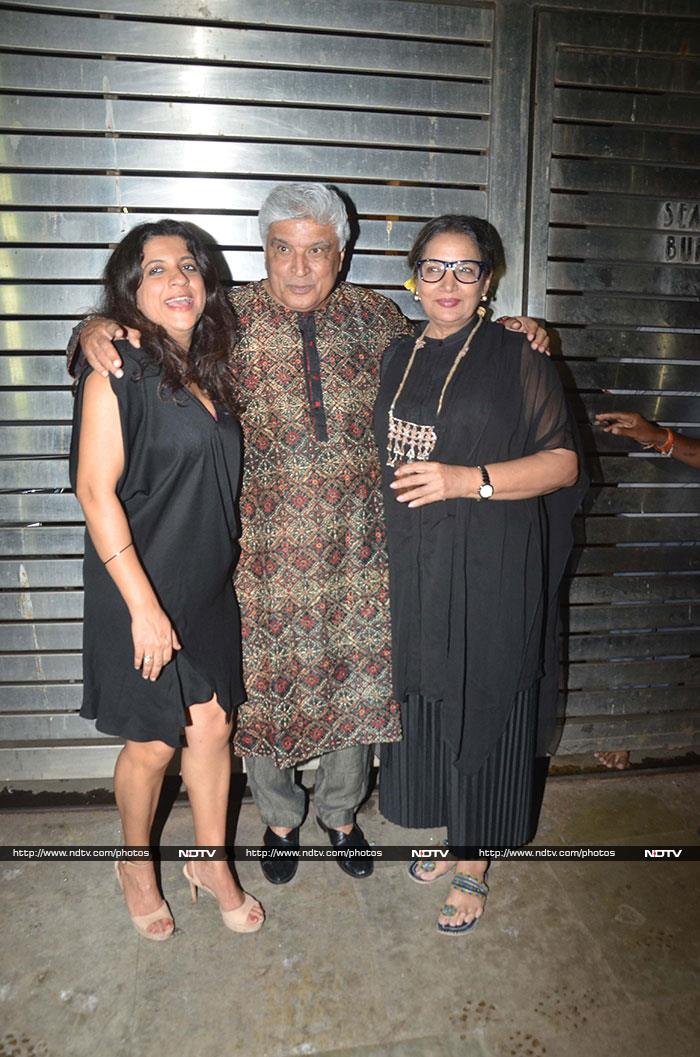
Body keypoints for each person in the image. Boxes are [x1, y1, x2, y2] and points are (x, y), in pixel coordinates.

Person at [68, 184, 549, 886]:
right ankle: (280, 818)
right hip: (254, 559)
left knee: (358, 691)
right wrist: (90, 327)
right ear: (263, 253)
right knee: (258, 699)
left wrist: (521, 329)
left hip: (361, 554)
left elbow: (452, 348)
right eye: (283, 249)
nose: (299, 267)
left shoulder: (378, 319)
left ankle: (343, 812)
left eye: (317, 249)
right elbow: (140, 340)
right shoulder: (220, 322)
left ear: (342, 254)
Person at [374, 215, 584, 934]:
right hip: (418, 564)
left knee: (486, 690)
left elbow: (563, 463)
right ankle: (447, 826)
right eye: (433, 268)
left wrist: (470, 480)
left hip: (493, 564)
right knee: (432, 691)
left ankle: (477, 857)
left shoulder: (518, 355)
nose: (449, 283)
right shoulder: (394, 353)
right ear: (413, 276)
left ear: (488, 279)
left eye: (467, 269)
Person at [70, 219, 263, 938]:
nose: (176, 279)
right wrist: (146, 611)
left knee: (214, 725)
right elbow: (96, 492)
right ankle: (135, 863)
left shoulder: (207, 367)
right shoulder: (116, 369)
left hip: (204, 584)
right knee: (154, 742)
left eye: (187, 266)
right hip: (138, 589)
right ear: (130, 290)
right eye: (154, 270)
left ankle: (210, 861)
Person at [593, 410, 700, 770]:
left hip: (685, 501)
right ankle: (625, 718)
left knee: (674, 620)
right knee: (632, 609)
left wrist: (657, 436)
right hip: (639, 489)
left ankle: (634, 722)